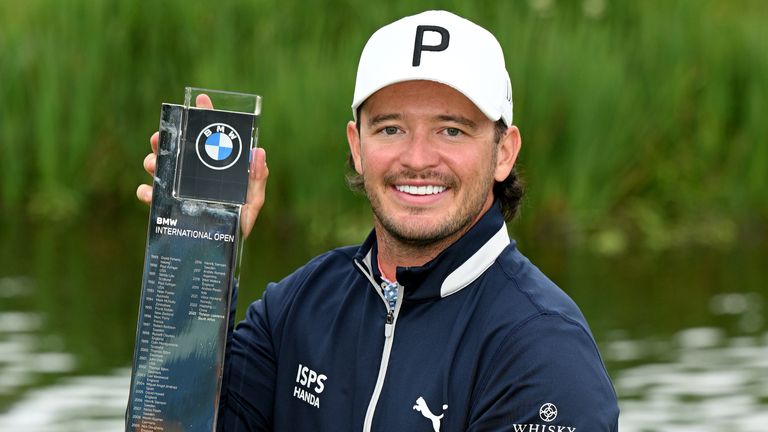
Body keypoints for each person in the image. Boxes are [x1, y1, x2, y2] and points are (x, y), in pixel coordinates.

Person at [138, 10, 619, 432]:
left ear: (503, 153)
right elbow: (168, 425)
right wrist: (199, 252)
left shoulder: (543, 348)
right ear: (357, 146)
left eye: (451, 130)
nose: (417, 158)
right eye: (391, 128)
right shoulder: (294, 310)